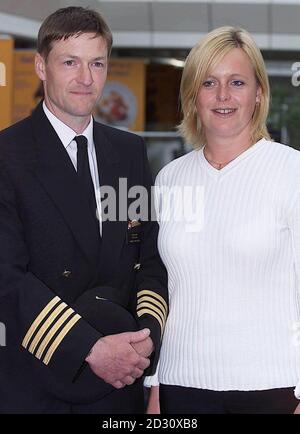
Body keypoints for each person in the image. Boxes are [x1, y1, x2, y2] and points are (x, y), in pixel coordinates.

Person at [0, 6, 168, 414]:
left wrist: (145, 337)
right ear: (41, 66)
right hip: (41, 381)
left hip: (120, 381)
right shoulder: (8, 154)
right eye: (70, 62)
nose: (85, 78)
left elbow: (148, 255)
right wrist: (89, 347)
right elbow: (6, 276)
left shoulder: (128, 153)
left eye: (97, 63)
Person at [145, 26, 300, 414]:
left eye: (237, 82)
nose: (223, 95)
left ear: (259, 93)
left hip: (274, 389)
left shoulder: (291, 172)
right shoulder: (169, 179)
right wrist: (156, 385)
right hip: (180, 387)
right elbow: (166, 290)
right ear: (192, 96)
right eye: (209, 82)